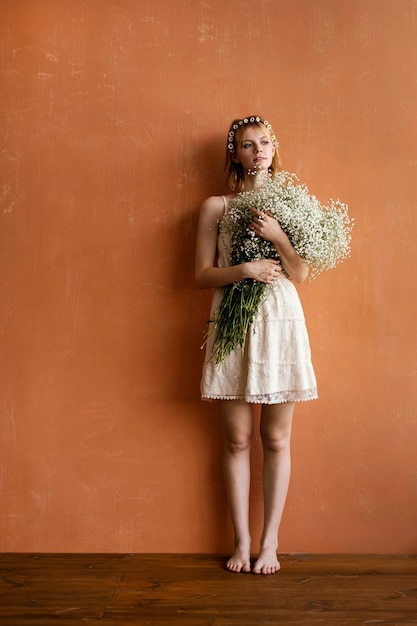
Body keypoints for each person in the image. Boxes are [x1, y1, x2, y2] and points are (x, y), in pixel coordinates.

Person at [195, 115, 318, 575]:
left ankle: (270, 544)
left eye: (265, 142)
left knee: (276, 437)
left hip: (281, 320)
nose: (258, 150)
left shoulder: (292, 204)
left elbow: (300, 274)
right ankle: (241, 542)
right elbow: (200, 275)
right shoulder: (216, 206)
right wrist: (244, 270)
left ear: (273, 148)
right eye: (248, 144)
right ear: (235, 153)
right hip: (231, 320)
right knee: (237, 439)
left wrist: (278, 235)